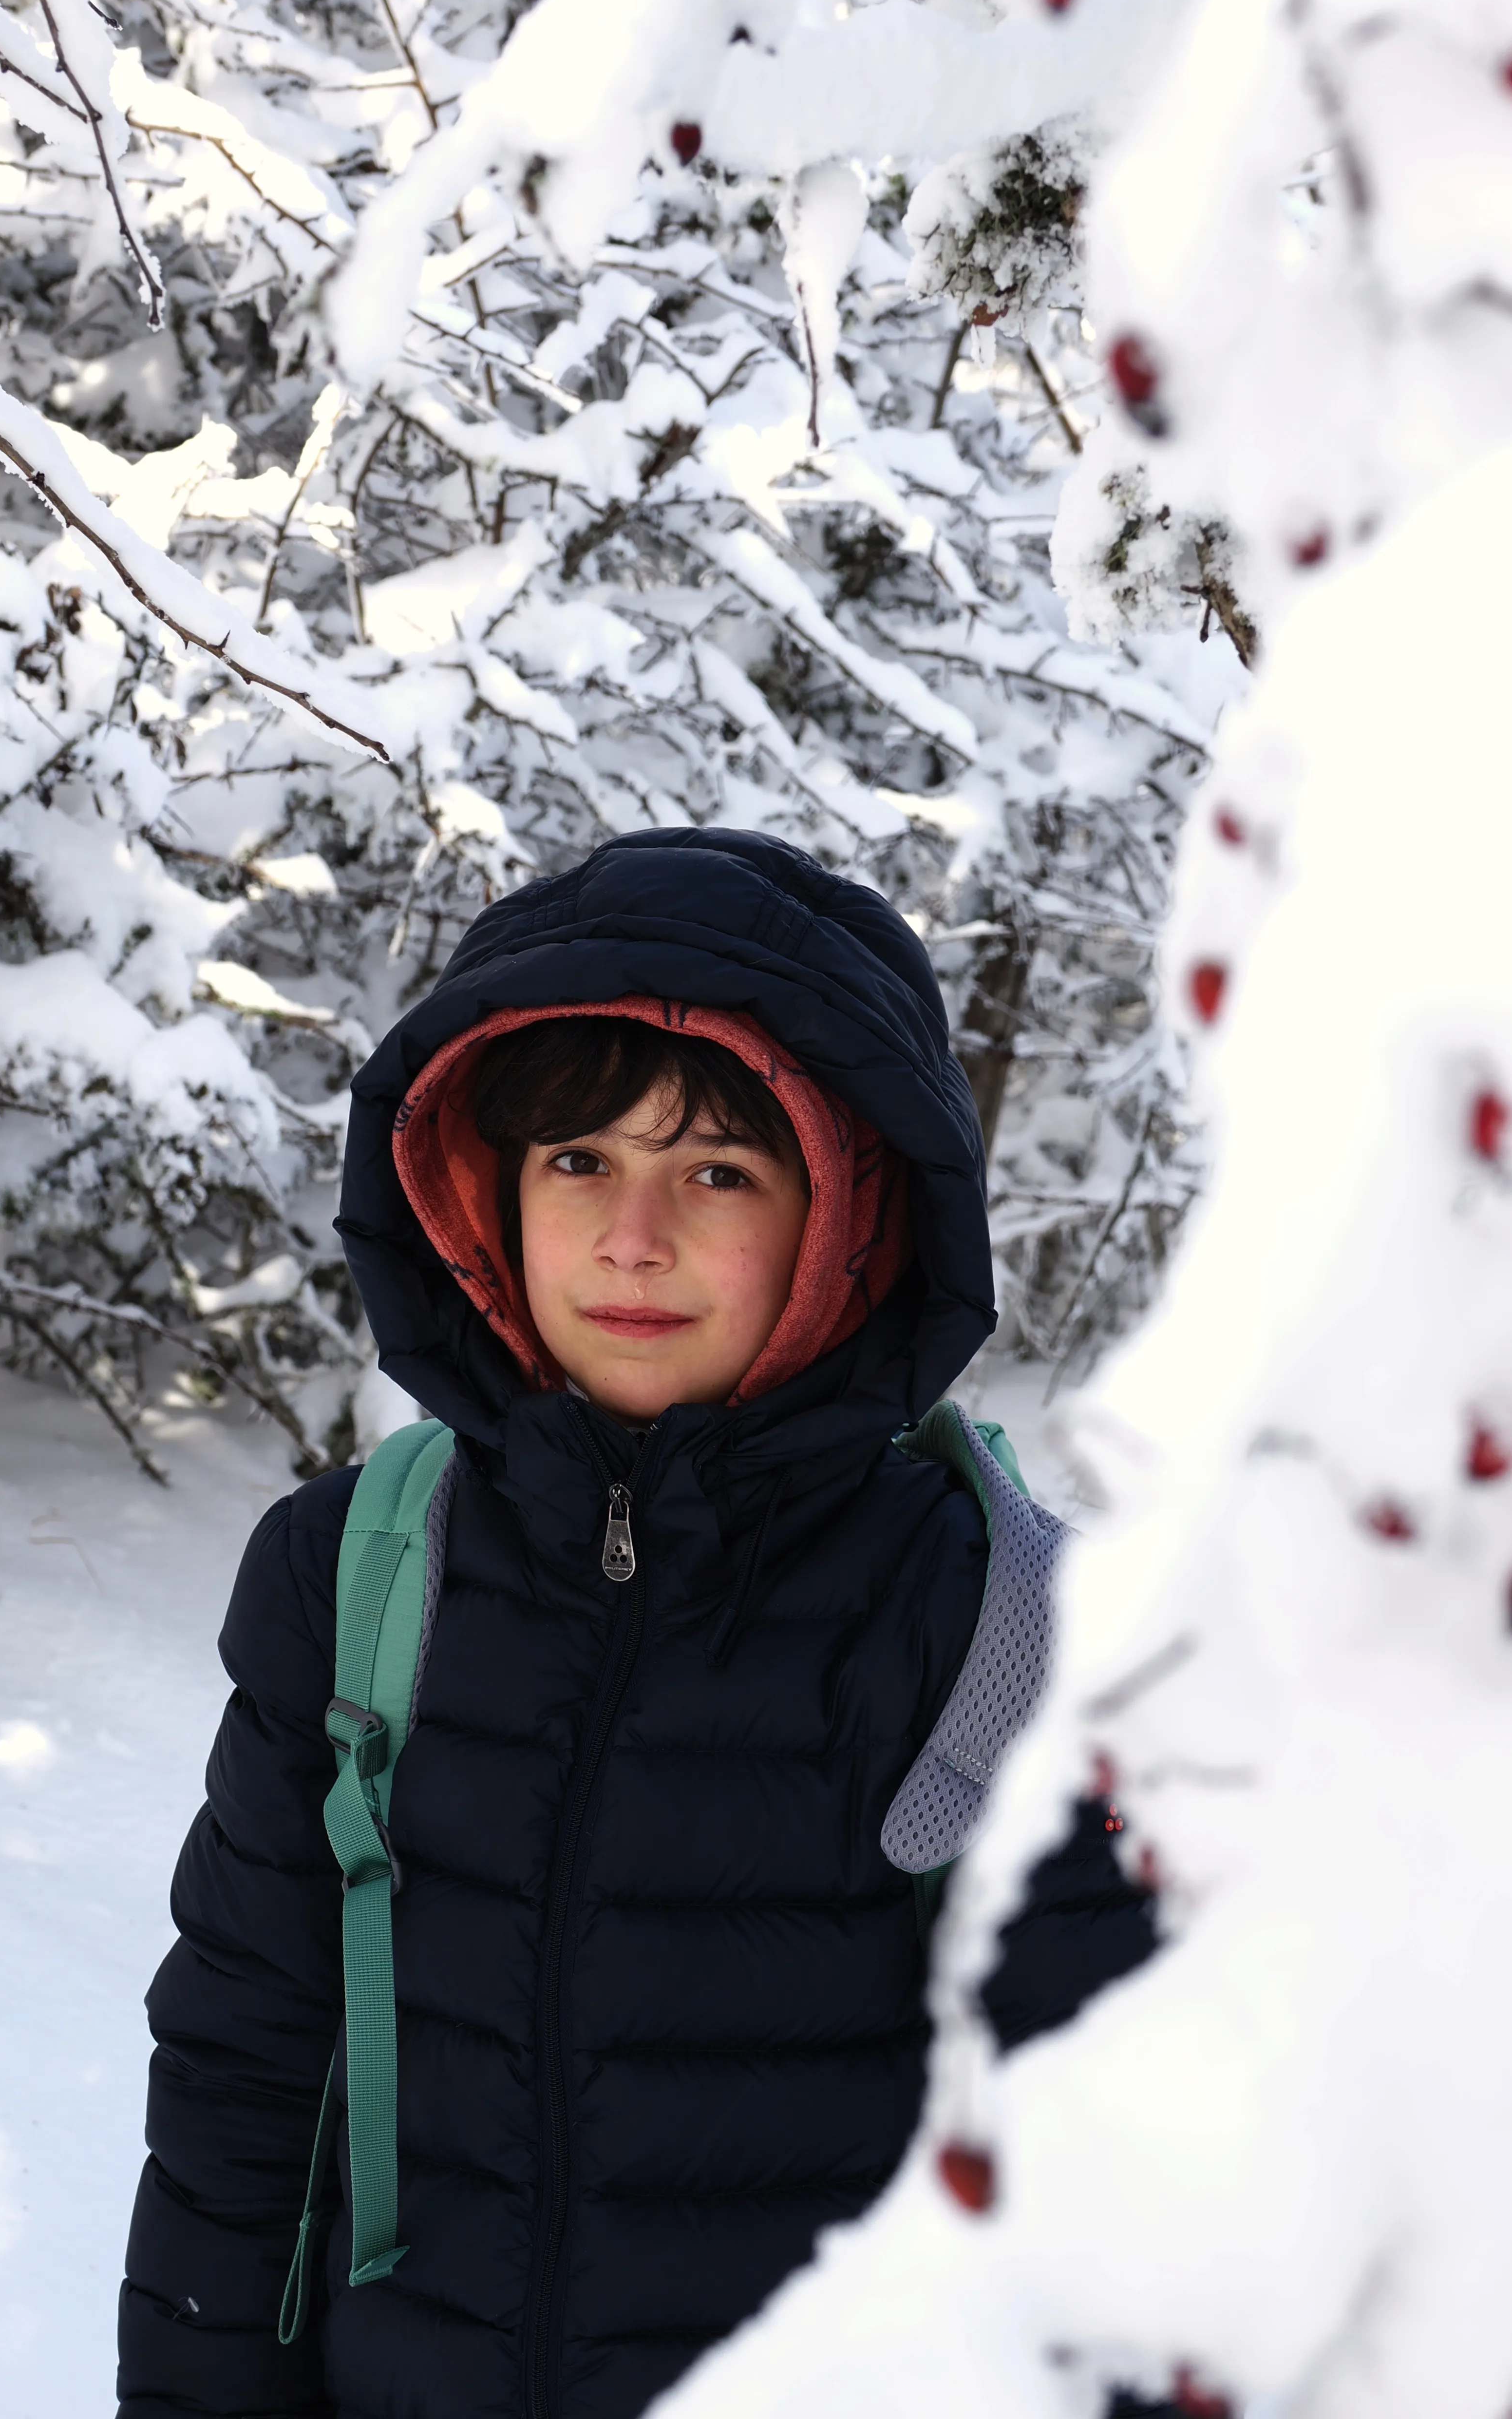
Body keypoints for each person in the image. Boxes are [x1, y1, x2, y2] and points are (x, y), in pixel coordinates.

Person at [117, 830, 1153, 2419]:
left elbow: (1122, 2210)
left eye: (718, 1173)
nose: (633, 1240)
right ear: (488, 1197)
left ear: (843, 1215)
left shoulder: (997, 1625)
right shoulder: (359, 1579)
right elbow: (245, 2087)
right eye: (579, 1161)